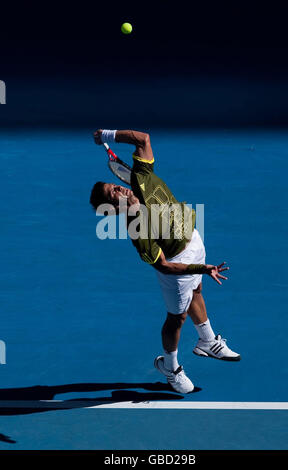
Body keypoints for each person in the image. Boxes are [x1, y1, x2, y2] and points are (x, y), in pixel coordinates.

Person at [90, 129, 240, 394]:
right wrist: (201, 268)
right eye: (111, 193)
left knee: (197, 291)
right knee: (177, 318)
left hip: (193, 238)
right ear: (112, 210)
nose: (116, 187)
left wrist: (107, 134)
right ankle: (170, 367)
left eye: (112, 184)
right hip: (178, 264)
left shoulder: (141, 175)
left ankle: (207, 342)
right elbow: (165, 267)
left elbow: (143, 139)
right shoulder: (136, 229)